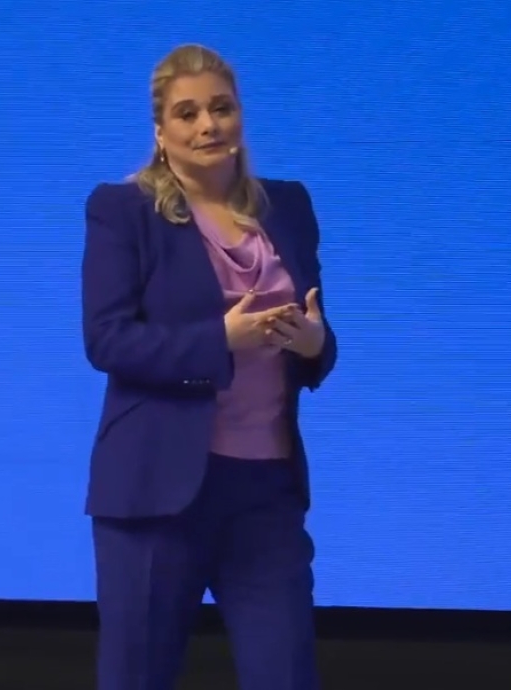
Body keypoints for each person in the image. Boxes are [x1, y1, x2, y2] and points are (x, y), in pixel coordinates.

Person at [80, 43, 337, 690]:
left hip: (266, 489)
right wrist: (218, 339)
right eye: (187, 113)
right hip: (156, 491)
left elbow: (318, 331)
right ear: (160, 131)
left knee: (286, 674)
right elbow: (107, 341)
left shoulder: (288, 207)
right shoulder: (123, 211)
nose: (208, 125)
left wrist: (314, 344)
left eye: (221, 108)